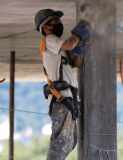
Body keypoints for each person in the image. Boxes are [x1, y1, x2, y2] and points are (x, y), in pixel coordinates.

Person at [35, 9, 93, 160]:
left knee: (70, 142)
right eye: (55, 21)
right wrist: (81, 29)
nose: (60, 23)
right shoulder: (49, 40)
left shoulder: (58, 49)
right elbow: (70, 44)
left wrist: (82, 45)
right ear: (46, 27)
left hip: (68, 98)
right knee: (61, 143)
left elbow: (77, 63)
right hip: (61, 99)